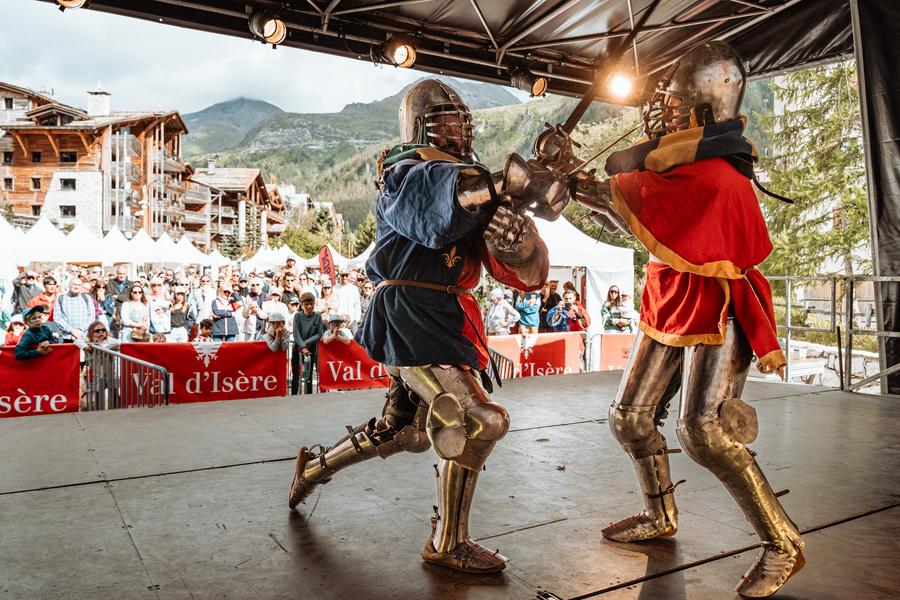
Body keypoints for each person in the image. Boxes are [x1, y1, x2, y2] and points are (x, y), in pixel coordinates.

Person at [289, 79, 563, 574]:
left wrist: (517, 236)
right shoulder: (404, 170)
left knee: (403, 434)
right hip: (409, 316)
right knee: (483, 419)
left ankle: (312, 470)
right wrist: (503, 185)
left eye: (462, 119)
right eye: (447, 119)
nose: (459, 127)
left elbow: (520, 268)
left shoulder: (470, 183)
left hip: (444, 316)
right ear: (421, 126)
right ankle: (448, 540)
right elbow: (437, 209)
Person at [573, 41, 802, 597]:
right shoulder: (678, 171)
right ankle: (659, 514)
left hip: (718, 305)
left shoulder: (719, 176)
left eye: (676, 106)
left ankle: (782, 543)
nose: (663, 114)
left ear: (703, 112)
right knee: (629, 416)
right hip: (671, 296)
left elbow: (651, 204)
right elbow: (644, 206)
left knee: (703, 430)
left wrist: (581, 189)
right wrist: (576, 188)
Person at [292, 292, 324, 395]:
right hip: (297, 348)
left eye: (311, 304)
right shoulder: (297, 316)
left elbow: (319, 333)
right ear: (302, 305)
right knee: (296, 375)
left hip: (311, 349)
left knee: (309, 375)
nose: (309, 306)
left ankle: (309, 396)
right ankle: (293, 396)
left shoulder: (317, 316)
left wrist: (306, 343)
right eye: (306, 304)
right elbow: (296, 333)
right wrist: (302, 346)